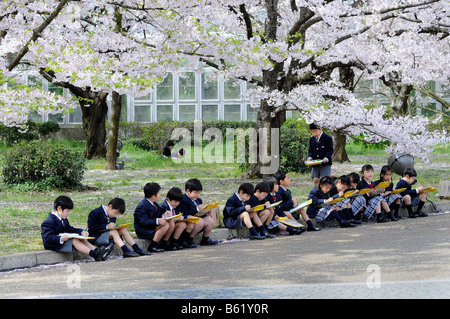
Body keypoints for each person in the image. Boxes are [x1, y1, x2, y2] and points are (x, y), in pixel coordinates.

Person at [41, 195, 105, 261]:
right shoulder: (49, 221)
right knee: (74, 240)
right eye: (67, 211)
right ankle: (93, 254)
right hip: (54, 244)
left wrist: (81, 232)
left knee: (80, 239)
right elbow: (47, 238)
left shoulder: (64, 219)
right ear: (59, 208)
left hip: (63, 241)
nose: (68, 214)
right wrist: (61, 238)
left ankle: (97, 251)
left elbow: (70, 229)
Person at [178, 178, 219, 247]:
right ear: (188, 191)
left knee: (210, 220)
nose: (197, 195)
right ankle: (189, 239)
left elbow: (199, 213)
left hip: (197, 221)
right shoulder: (183, 200)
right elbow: (185, 213)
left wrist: (205, 212)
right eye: (195, 193)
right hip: (188, 221)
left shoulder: (198, 200)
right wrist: (197, 209)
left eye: (199, 193)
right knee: (200, 221)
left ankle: (205, 239)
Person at [134, 182, 173, 253]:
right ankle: (153, 245)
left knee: (171, 222)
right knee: (165, 225)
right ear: (153, 196)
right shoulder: (142, 206)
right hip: (144, 230)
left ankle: (164, 243)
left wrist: (165, 215)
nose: (160, 195)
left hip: (152, 227)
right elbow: (144, 222)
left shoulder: (155, 204)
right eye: (159, 193)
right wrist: (157, 220)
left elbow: (159, 214)